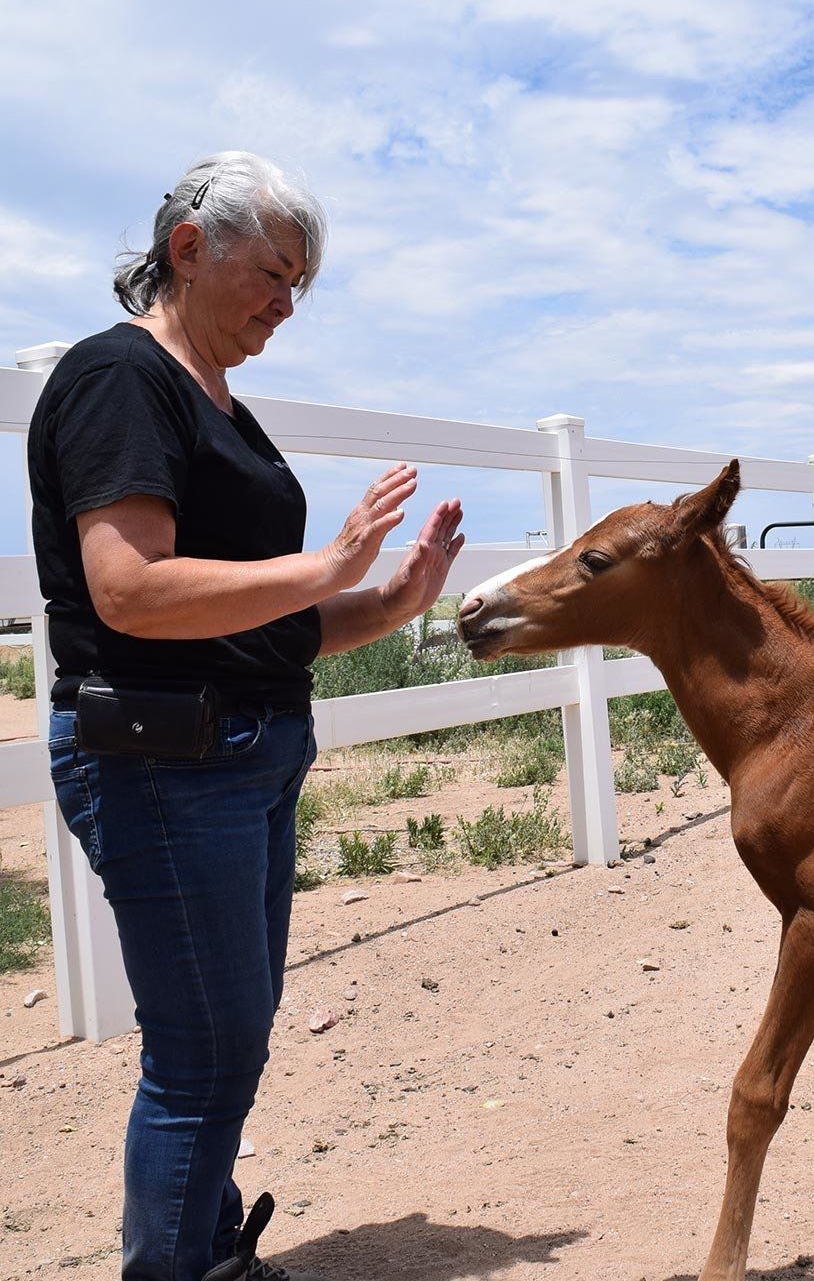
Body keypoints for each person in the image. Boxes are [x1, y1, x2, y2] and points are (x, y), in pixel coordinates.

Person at [27, 151, 464, 1281]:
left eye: (299, 284)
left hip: (241, 755)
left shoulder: (222, 406)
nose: (285, 302)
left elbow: (273, 628)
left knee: (223, 1037)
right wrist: (326, 563)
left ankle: (207, 1246)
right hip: (168, 758)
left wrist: (391, 597)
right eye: (272, 272)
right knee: (204, 1049)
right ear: (188, 249)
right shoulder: (120, 380)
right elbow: (127, 588)